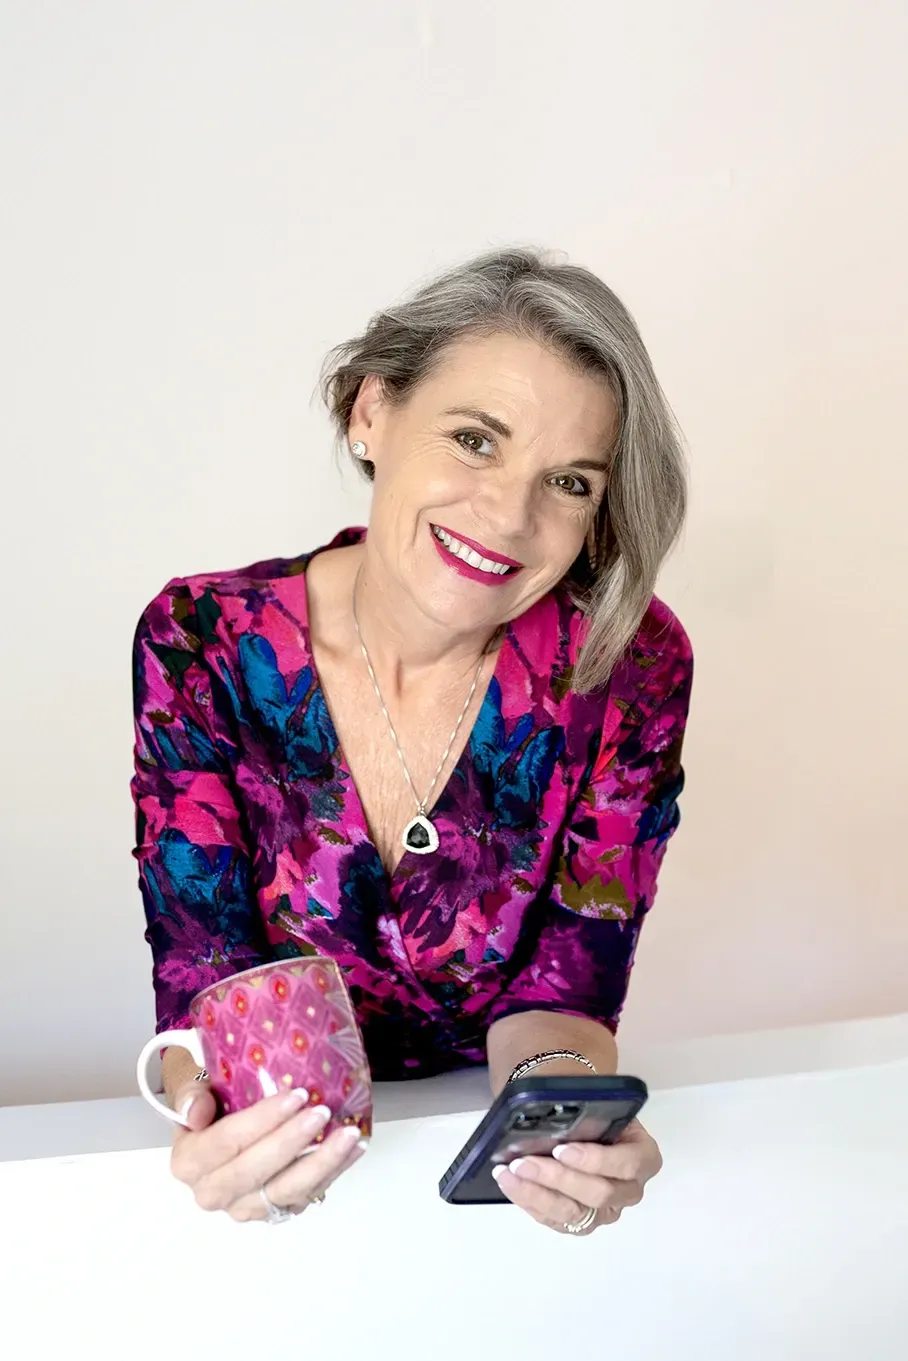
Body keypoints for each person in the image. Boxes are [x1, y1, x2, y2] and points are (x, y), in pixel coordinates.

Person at [131, 246, 692, 1235]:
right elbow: (201, 971)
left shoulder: (628, 663)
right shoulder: (200, 640)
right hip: (288, 1178)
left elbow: (566, 989)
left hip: (474, 1195)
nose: (508, 516)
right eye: (474, 440)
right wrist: (215, 1116)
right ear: (372, 411)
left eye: (568, 481)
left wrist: (561, 1121)